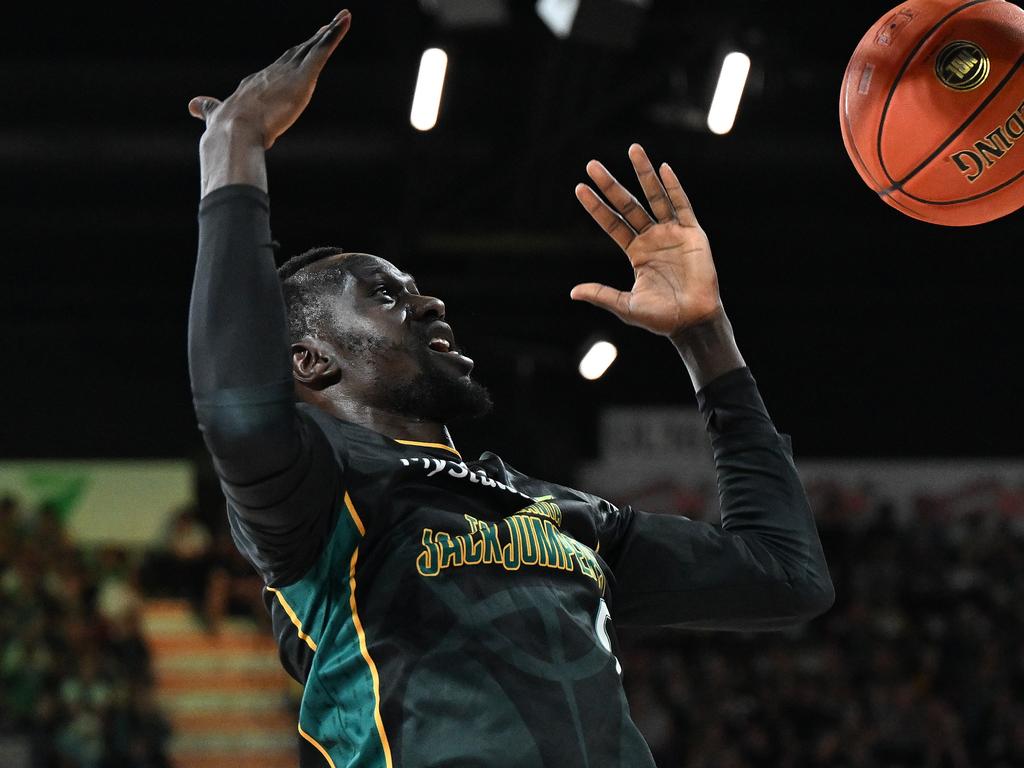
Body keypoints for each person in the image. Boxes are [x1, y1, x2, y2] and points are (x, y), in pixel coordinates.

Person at [186, 9, 834, 767]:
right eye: (385, 295)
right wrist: (236, 144)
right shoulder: (319, 494)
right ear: (307, 362)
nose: (429, 303)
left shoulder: (567, 516)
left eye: (419, 289)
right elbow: (237, 410)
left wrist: (704, 336)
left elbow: (788, 578)